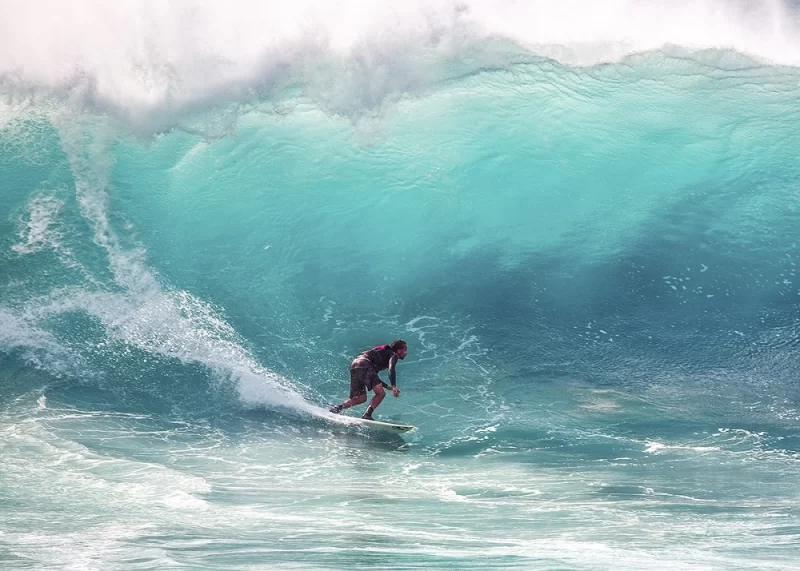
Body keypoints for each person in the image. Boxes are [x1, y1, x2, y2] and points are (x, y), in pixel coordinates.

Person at [329, 339, 408, 420]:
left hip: (355, 364)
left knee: (360, 398)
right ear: (399, 350)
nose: (406, 352)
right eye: (405, 350)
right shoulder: (393, 355)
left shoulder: (383, 355)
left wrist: (387, 386)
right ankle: (367, 414)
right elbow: (391, 369)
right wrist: (394, 386)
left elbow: (373, 376)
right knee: (381, 394)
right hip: (365, 364)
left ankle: (337, 408)